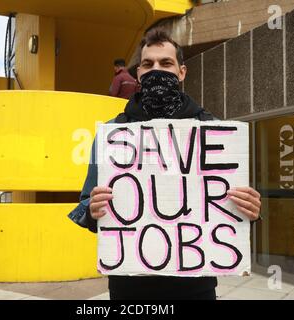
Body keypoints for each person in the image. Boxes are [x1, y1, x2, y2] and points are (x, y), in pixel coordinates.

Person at [68, 29, 261, 300]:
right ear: (138, 74)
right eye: (148, 64)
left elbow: (228, 205)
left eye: (166, 63)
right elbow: (85, 204)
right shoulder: (112, 133)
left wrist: (249, 208)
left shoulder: (213, 129)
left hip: (196, 285)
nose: (156, 70)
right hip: (129, 287)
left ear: (182, 72)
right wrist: (92, 209)